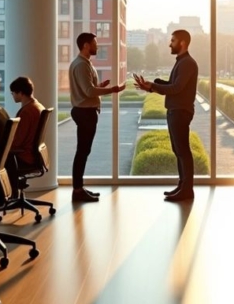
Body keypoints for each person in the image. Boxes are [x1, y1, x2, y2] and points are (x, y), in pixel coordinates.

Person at [133, 29, 199, 202]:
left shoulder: (187, 63)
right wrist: (151, 85)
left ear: (182, 43)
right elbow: (172, 84)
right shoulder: (182, 62)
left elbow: (176, 88)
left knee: (183, 151)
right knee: (178, 151)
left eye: (173, 40)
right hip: (175, 111)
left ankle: (187, 190)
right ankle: (182, 186)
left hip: (180, 112)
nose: (170, 43)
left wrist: (152, 87)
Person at [69, 32, 126, 203]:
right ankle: (78, 191)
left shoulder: (84, 64)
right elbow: (88, 92)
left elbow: (89, 88)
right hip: (85, 113)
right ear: (86, 45)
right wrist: (112, 90)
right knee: (82, 152)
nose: (97, 46)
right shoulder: (81, 65)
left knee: (83, 151)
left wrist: (99, 86)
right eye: (94, 43)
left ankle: (79, 188)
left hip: (86, 112)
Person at [8, 76, 45, 166]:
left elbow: (17, 142)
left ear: (20, 93)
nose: (12, 95)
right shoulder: (38, 106)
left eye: (12, 92)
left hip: (24, 156)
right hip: (33, 154)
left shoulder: (26, 112)